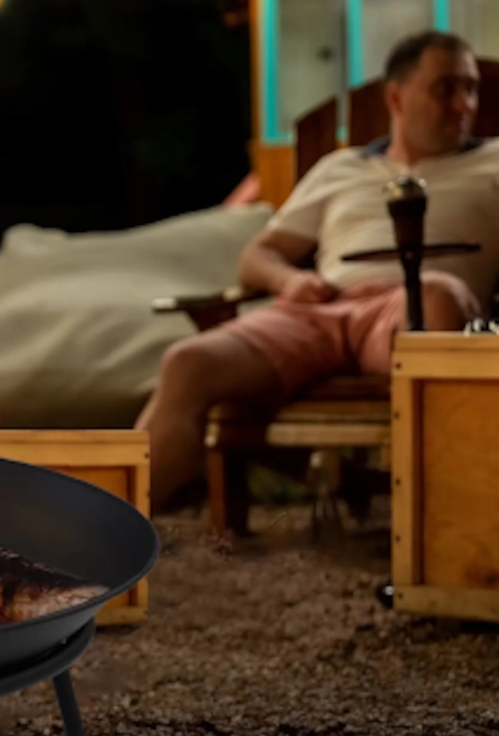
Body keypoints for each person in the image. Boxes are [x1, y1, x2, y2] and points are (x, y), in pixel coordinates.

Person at [136, 30, 499, 512]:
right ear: (396, 97)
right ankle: (107, 538)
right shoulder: (339, 168)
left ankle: (446, 526)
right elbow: (258, 255)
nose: (464, 104)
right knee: (187, 362)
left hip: (414, 306)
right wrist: (290, 281)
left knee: (437, 296)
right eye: (445, 88)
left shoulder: (493, 161)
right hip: (320, 308)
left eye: (470, 88)